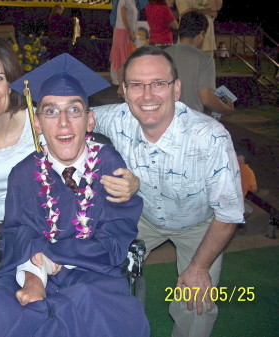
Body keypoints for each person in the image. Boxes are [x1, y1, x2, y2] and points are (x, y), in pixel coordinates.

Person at [0, 37, 139, 322]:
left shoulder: (108, 163)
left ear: (90, 121)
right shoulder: (21, 171)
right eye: (52, 111)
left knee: (87, 311)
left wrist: (46, 262)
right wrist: (32, 270)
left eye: (74, 110)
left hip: (91, 271)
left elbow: (116, 234)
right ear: (38, 124)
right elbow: (12, 228)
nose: (64, 122)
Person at [92, 46, 244, 337]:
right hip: (143, 216)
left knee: (196, 303)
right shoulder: (116, 117)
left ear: (176, 89)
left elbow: (228, 214)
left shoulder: (210, 139)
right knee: (95, 267)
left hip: (199, 224)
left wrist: (199, 267)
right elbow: (69, 117)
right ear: (123, 90)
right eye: (136, 85)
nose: (147, 96)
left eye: (158, 83)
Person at [165, 11, 234, 116]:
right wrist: (228, 109)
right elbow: (206, 98)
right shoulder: (204, 59)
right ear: (201, 34)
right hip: (191, 121)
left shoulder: (162, 55)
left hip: (164, 118)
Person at [109, 0, 138, 97]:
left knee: (124, 61)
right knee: (122, 61)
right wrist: (131, 32)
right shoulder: (124, 1)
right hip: (123, 32)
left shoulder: (132, 1)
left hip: (125, 32)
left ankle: (122, 88)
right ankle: (121, 88)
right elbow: (124, 17)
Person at [233, 139, 257, 220]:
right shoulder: (249, 173)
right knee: (249, 210)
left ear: (241, 157)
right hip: (236, 204)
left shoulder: (229, 165)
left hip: (220, 199)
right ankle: (237, 224)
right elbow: (253, 190)